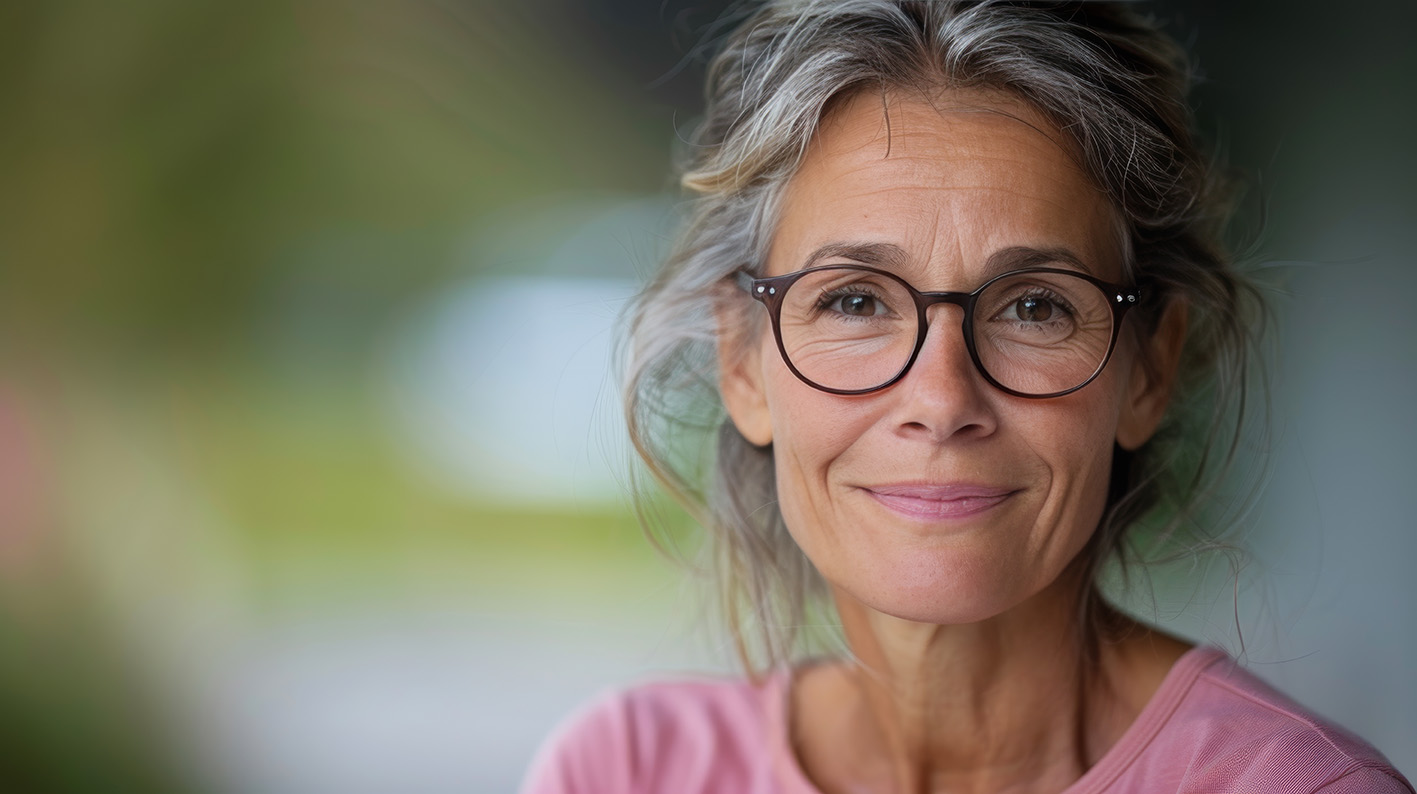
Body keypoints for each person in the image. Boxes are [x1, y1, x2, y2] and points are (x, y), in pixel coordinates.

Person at [522, 2, 1413, 792]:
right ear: (743, 366)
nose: (942, 399)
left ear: (1146, 371)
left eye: (1034, 308)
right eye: (855, 300)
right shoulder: (623, 770)